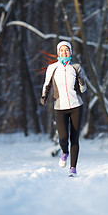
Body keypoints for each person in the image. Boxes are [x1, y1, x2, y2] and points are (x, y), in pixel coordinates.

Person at [40, 41, 87, 177]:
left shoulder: (76, 67)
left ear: (70, 52)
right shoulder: (53, 68)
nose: (64, 52)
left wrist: (82, 82)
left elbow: (83, 89)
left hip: (76, 106)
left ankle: (73, 168)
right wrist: (44, 96)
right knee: (63, 137)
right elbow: (46, 84)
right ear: (58, 52)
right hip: (60, 107)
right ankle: (64, 152)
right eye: (62, 50)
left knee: (75, 137)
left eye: (67, 50)